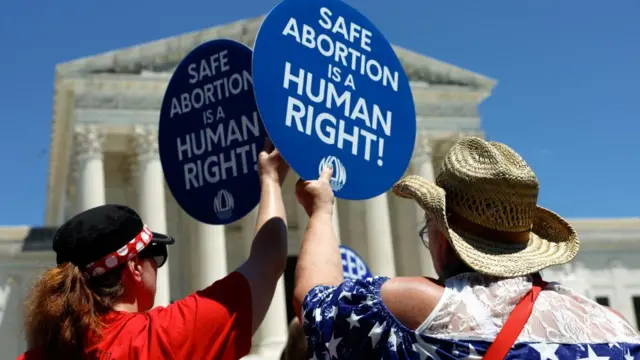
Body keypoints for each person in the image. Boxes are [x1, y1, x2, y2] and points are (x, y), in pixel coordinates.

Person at [294, 137, 640, 359]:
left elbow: (315, 305)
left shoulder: (426, 307)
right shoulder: (617, 327)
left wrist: (321, 212)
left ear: (444, 238)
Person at [18, 139, 290, 360]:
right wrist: (271, 180)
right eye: (156, 255)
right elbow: (268, 260)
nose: (158, 267)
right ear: (134, 267)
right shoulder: (165, 338)